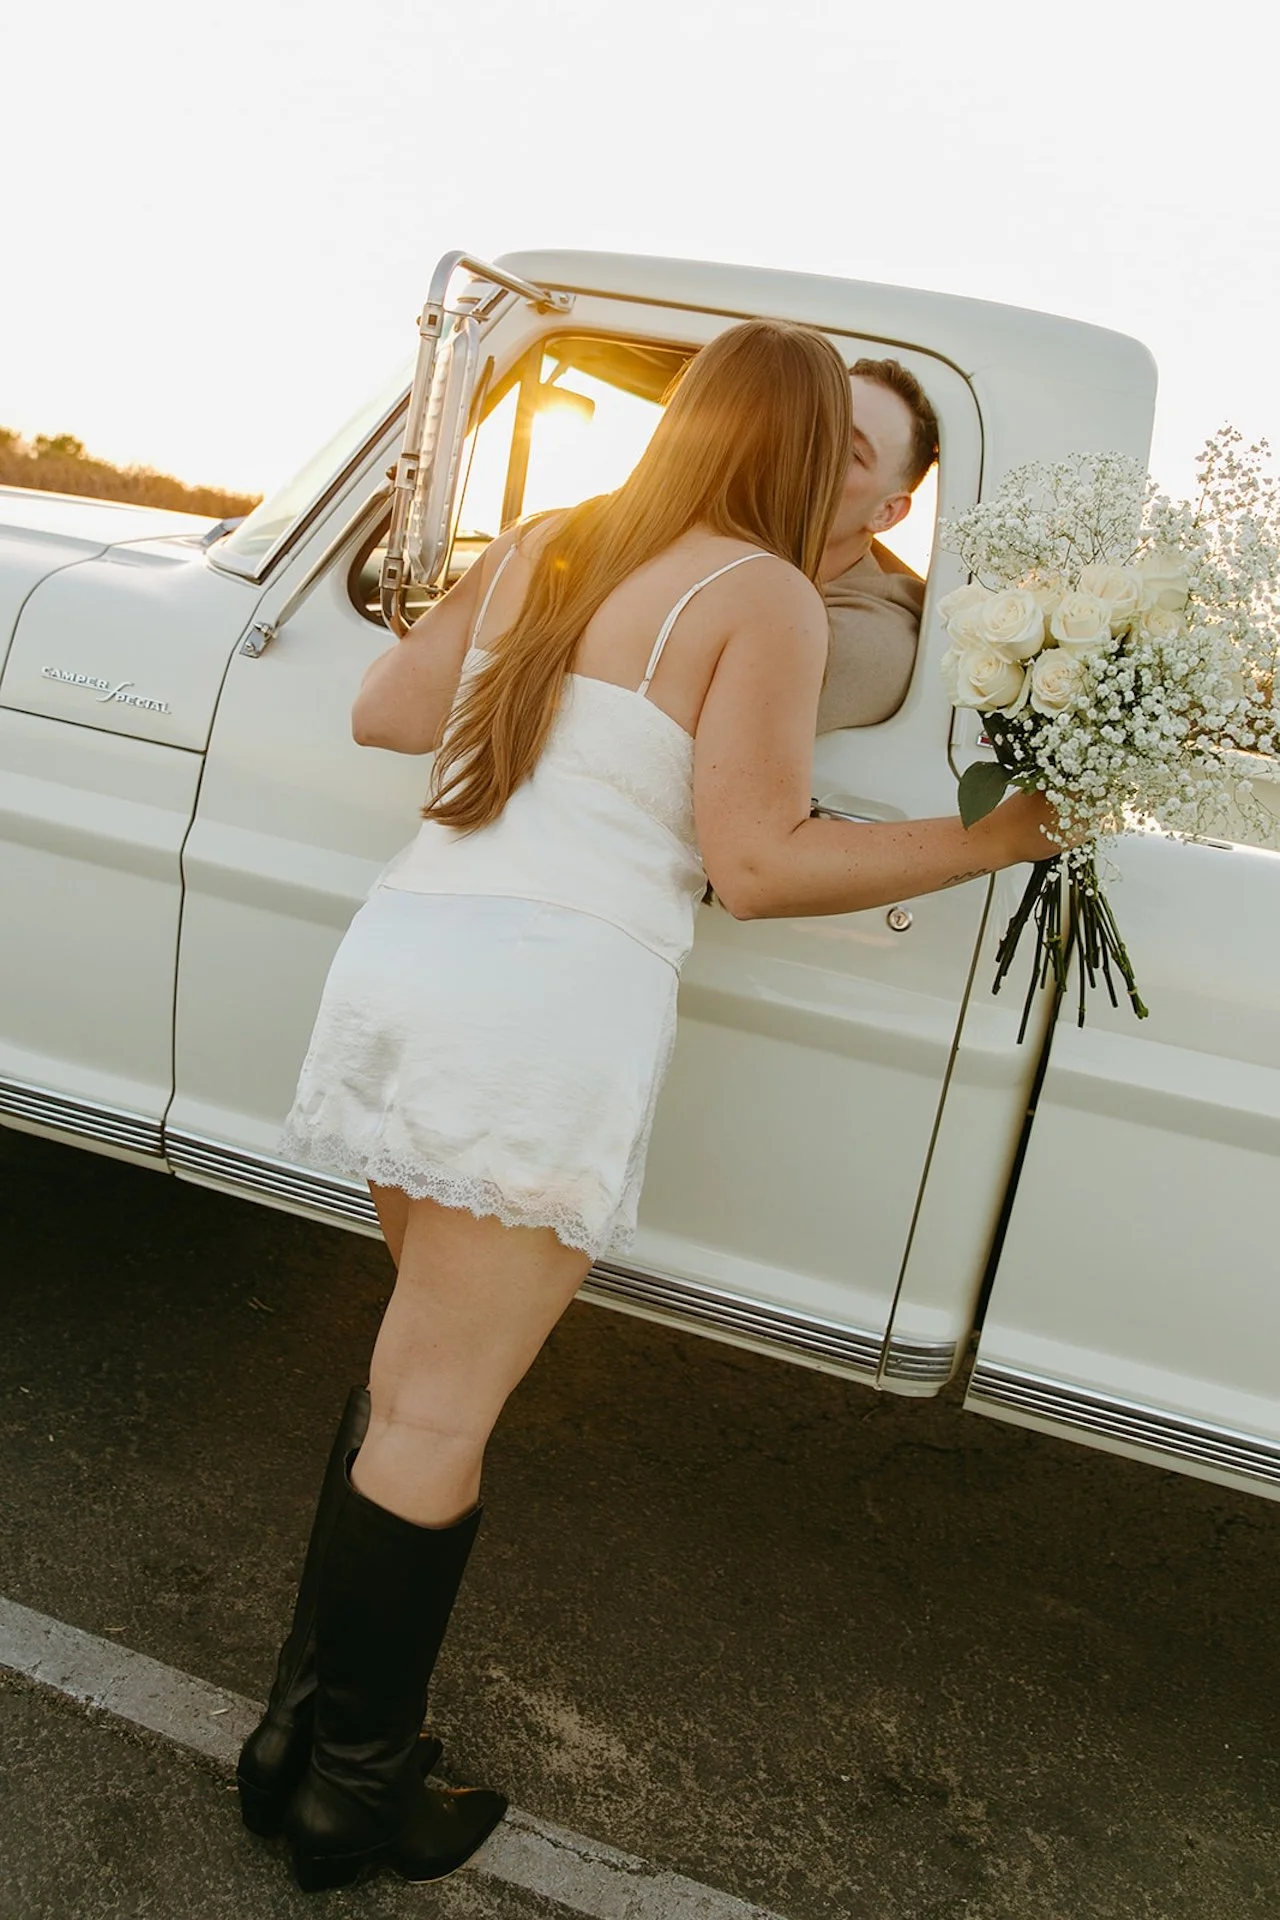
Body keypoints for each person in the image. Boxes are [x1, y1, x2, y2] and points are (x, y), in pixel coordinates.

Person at [235, 320, 1059, 1895]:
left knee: (406, 1377)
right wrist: (991, 838)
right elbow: (758, 863)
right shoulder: (759, 597)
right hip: (543, 1002)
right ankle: (356, 1791)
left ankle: (296, 1737)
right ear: (812, 454)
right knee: (437, 1410)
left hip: (414, 953)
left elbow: (393, 715)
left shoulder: (554, 538)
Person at [817, 357, 940, 730]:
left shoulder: (867, 639)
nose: (809, 449)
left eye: (850, 453)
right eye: (812, 425)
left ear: (887, 513)